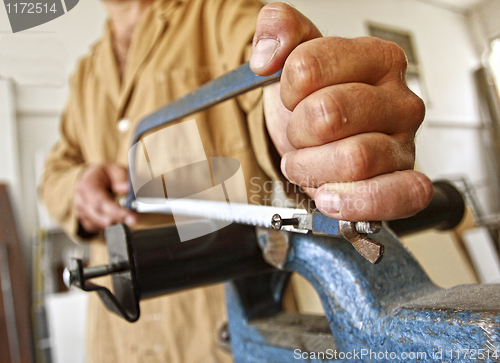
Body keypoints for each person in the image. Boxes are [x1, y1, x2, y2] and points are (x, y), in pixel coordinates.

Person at [40, 0, 433, 361]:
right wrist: (78, 188)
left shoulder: (218, 11)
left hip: (224, 327)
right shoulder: (86, 72)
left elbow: (267, 80)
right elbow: (55, 172)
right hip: (117, 331)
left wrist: (300, 113)